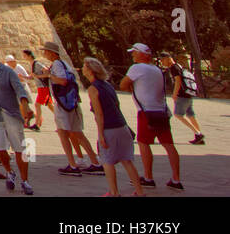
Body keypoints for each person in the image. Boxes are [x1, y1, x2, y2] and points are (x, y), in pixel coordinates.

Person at [119, 43, 182, 191]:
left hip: (146, 112)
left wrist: (132, 88)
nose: (132, 55)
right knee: (169, 145)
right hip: (161, 111)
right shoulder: (157, 70)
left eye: (134, 52)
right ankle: (176, 179)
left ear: (142, 54)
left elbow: (123, 85)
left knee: (143, 143)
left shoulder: (136, 68)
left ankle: (148, 177)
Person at [82, 57, 144, 197]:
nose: (83, 69)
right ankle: (140, 192)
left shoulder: (93, 89)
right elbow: (116, 105)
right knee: (127, 160)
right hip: (121, 126)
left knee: (107, 161)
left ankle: (114, 192)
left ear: (91, 70)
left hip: (109, 128)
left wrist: (101, 135)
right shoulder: (107, 85)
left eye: (85, 66)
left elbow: (99, 114)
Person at [0, 44, 34, 195]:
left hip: (11, 114)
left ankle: (25, 180)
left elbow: (19, 90)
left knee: (19, 148)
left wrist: (25, 106)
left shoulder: (8, 72)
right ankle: (10, 171)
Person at [42, 42, 103, 176]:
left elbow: (63, 81)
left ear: (52, 53)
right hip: (71, 102)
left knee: (63, 132)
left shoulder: (57, 64)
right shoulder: (63, 64)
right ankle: (95, 162)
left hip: (63, 103)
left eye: (45, 51)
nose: (44, 53)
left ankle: (73, 165)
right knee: (76, 133)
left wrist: (49, 75)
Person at [160, 51, 205, 144]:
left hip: (182, 95)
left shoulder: (173, 68)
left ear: (167, 59)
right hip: (188, 94)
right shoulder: (178, 66)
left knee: (178, 115)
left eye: (162, 60)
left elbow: (178, 81)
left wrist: (174, 94)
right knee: (190, 115)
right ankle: (199, 135)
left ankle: (198, 134)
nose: (162, 62)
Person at [25, 47, 54, 131]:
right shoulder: (33, 64)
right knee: (50, 106)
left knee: (37, 105)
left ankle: (37, 124)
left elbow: (47, 72)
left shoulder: (36, 64)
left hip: (43, 87)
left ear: (29, 56)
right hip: (41, 87)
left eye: (25, 55)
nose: (24, 57)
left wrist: (38, 76)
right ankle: (62, 121)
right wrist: (23, 77)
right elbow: (32, 77)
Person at [6, 54, 36, 128]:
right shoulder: (8, 68)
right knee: (22, 106)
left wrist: (21, 79)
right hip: (16, 89)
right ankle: (28, 118)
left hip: (23, 87)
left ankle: (26, 120)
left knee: (22, 105)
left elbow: (27, 79)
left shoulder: (19, 67)